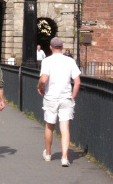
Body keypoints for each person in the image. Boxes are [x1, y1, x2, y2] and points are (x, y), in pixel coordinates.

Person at [37, 37, 81, 167]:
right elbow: (77, 82)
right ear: (62, 47)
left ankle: (49, 154)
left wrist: (39, 86)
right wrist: (73, 96)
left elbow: (44, 79)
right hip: (65, 97)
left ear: (50, 47)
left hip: (51, 97)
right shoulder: (70, 61)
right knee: (64, 128)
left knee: (49, 125)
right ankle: (64, 157)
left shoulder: (47, 61)